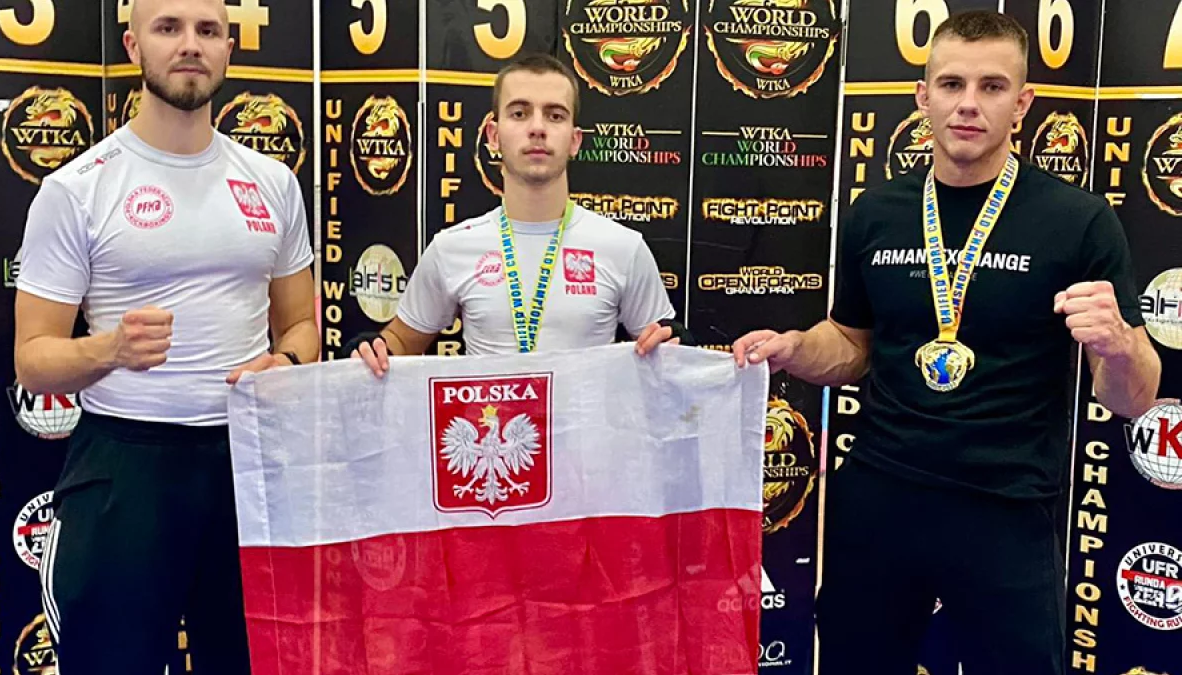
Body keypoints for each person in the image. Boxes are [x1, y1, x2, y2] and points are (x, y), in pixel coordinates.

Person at [733, 11, 1159, 675]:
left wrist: (1119, 346)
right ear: (922, 96)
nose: (968, 104)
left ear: (1023, 103)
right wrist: (795, 348)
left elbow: (1133, 398)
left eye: (992, 86)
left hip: (1005, 505)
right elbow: (850, 343)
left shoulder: (1078, 221)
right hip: (882, 493)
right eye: (952, 83)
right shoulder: (877, 212)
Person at [12, 0, 316, 671]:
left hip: (245, 463)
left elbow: (301, 322)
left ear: (229, 48)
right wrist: (110, 350)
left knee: (250, 661)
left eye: (208, 30)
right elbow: (32, 360)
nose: (190, 45)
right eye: (168, 28)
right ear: (133, 46)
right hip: (126, 463)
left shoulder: (272, 183)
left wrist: (288, 361)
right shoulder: (77, 189)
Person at [348, 53, 686, 372]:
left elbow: (666, 353)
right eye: (520, 113)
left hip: (588, 419)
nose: (537, 128)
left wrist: (677, 345)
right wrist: (374, 349)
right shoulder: (451, 247)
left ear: (575, 141)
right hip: (489, 417)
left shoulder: (623, 247)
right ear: (493, 136)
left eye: (555, 115)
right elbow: (401, 342)